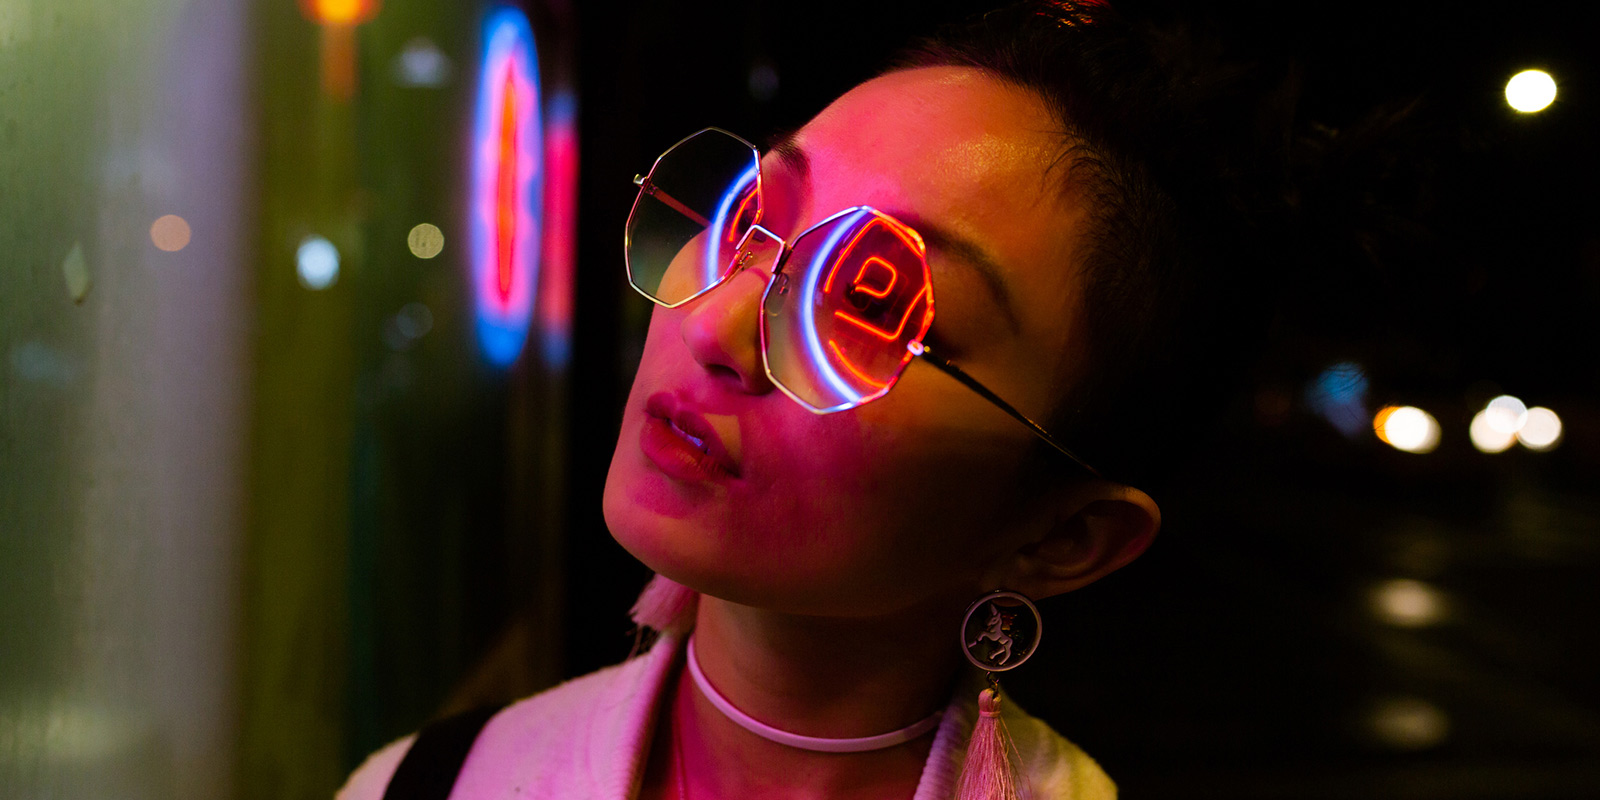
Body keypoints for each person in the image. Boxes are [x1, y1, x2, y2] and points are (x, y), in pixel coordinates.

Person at [341, 1, 1299, 797]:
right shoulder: (431, 781)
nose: (714, 325)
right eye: (748, 217)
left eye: (872, 305)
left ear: (1064, 536)